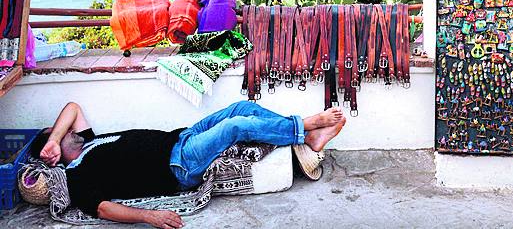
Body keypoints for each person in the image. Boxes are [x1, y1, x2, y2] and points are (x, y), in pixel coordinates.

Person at [30, 101, 346, 228]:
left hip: (180, 137)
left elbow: (71, 108)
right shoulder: (77, 175)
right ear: (50, 153)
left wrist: (55, 139)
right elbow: (101, 208)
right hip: (178, 164)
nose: (68, 131)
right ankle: (304, 127)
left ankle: (309, 139)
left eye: (63, 131)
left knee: (241, 107)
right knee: (235, 127)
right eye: (58, 135)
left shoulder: (88, 140)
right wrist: (148, 216)